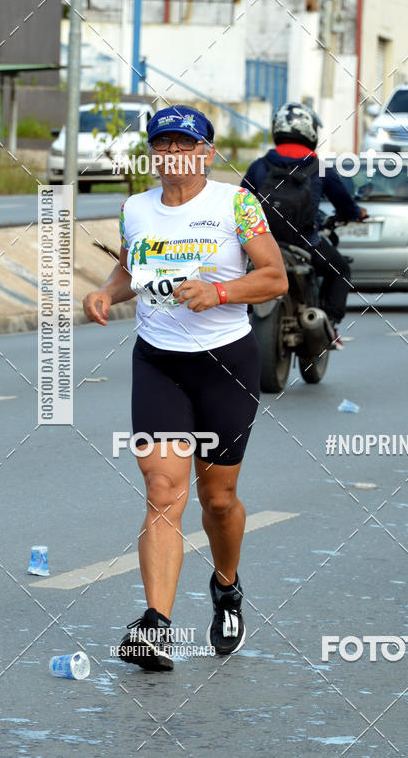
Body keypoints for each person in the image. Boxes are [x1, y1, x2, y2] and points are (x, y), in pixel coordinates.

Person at [83, 104, 288, 670]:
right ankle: (156, 627)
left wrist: (219, 293)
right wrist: (106, 293)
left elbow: (275, 276)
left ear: (206, 152)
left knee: (217, 500)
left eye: (184, 145)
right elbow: (131, 271)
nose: (173, 155)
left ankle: (226, 586)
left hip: (226, 363)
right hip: (159, 363)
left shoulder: (236, 205)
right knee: (162, 490)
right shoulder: (135, 209)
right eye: (163, 145)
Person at [241, 102, 366, 348]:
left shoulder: (260, 165)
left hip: (261, 244)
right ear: (310, 131)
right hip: (306, 244)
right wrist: (356, 213)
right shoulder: (319, 168)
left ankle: (238, 320)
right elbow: (344, 203)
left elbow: (240, 200)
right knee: (340, 269)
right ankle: (329, 323)